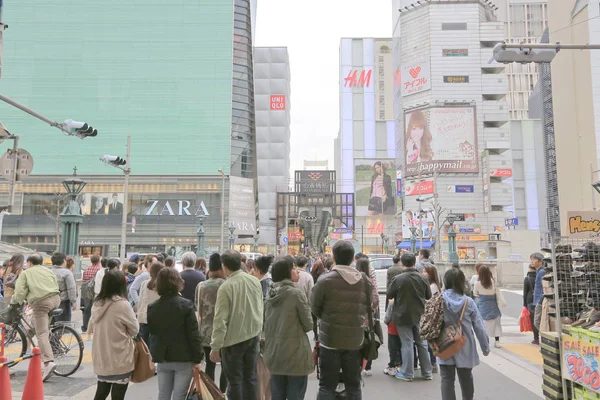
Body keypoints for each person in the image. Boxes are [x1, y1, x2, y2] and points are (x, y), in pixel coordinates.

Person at [311, 240, 370, 399]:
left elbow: (314, 308)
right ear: (352, 259)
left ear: (334, 257)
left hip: (330, 340)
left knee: (326, 386)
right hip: (355, 340)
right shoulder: (364, 280)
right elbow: (371, 305)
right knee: (353, 385)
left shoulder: (325, 281)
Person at [210, 250, 264, 400]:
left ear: (224, 266)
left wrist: (215, 347)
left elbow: (220, 320)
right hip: (253, 337)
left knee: (234, 381)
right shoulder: (254, 281)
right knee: (250, 378)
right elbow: (260, 309)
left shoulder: (226, 287)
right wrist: (259, 332)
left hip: (232, 342)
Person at [148, 267, 203, 400]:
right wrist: (198, 357)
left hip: (163, 357)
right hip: (184, 357)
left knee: (163, 394)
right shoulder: (186, 305)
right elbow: (193, 334)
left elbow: (153, 332)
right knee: (179, 395)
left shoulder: (153, 307)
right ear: (178, 282)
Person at [264, 257, 314, 400]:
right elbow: (308, 324)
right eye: (293, 268)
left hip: (274, 354)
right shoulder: (295, 294)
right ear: (286, 273)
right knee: (295, 395)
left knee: (277, 395)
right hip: (295, 355)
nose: (297, 270)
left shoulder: (270, 294)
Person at [439, 268, 490, 400]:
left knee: (446, 379)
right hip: (465, 345)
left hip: (444, 343)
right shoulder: (468, 302)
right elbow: (479, 326)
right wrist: (485, 347)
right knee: (466, 378)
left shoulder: (439, 300)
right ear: (462, 282)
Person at [10, 253, 61, 381]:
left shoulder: (26, 273)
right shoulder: (48, 271)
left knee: (41, 333)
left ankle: (48, 362)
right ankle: (44, 344)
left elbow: (20, 292)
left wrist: (14, 302)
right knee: (39, 325)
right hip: (55, 299)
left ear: (29, 263)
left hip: (41, 302)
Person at [89, 270, 138, 400]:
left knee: (101, 391)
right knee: (118, 395)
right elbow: (135, 330)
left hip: (101, 356)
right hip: (119, 356)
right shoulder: (123, 305)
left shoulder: (97, 303)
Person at [387, 253, 433, 381]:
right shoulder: (423, 278)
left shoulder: (398, 279)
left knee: (407, 343)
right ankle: (427, 372)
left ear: (402, 264)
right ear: (414, 263)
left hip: (402, 315)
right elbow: (428, 296)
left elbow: (390, 294)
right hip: (419, 314)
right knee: (422, 343)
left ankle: (407, 373)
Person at [196, 253, 228, 393]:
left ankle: (210, 393)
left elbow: (198, 308)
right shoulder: (226, 284)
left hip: (206, 331)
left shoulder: (201, 285)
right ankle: (222, 393)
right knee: (225, 366)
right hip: (225, 332)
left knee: (210, 365)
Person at [355, 258, 379, 377]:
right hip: (368, 315)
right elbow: (375, 298)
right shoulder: (370, 280)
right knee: (368, 339)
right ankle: (367, 366)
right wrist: (372, 308)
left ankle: (357, 363)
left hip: (355, 315)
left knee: (358, 339)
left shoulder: (353, 280)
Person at [473, 265, 504, 348]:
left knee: (484, 324)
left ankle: (485, 342)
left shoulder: (477, 283)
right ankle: (497, 341)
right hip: (493, 305)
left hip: (483, 305)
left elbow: (475, 293)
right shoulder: (492, 281)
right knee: (496, 324)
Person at [137, 262, 164, 344]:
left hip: (144, 317)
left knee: (144, 345)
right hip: (158, 318)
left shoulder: (145, 283)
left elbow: (141, 300)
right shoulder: (163, 285)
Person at [422, 264, 441, 373]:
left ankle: (433, 363)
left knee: (430, 340)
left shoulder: (432, 286)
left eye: (425, 272)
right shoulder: (433, 285)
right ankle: (433, 363)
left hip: (431, 316)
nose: (423, 273)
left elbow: (431, 301)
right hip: (432, 316)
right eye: (423, 271)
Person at [50, 252, 77, 323]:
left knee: (51, 324)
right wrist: (73, 301)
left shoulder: (48, 272)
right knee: (63, 325)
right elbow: (71, 288)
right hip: (63, 302)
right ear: (64, 261)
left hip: (49, 301)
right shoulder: (67, 273)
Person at [82, 254, 102, 332]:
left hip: (87, 292)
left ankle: (85, 326)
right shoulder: (99, 270)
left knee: (87, 309)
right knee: (95, 309)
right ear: (98, 261)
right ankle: (93, 327)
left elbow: (84, 282)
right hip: (95, 292)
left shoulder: (86, 270)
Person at [523, 264, 539, 345]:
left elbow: (525, 292)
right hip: (539, 300)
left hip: (530, 300)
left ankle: (536, 338)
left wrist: (524, 305)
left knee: (533, 320)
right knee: (540, 318)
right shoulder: (539, 276)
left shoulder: (527, 278)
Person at [531, 252, 546, 332]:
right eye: (531, 260)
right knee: (538, 321)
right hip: (538, 300)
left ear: (540, 261)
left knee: (537, 321)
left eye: (534, 259)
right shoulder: (539, 272)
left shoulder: (542, 272)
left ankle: (543, 336)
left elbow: (544, 287)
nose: (532, 261)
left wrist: (540, 301)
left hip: (540, 301)